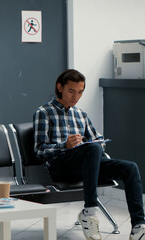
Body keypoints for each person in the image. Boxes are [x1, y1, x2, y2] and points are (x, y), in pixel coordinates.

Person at [33, 69, 145, 240]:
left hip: (86, 164)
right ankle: (90, 211)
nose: (76, 97)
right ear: (60, 87)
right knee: (92, 149)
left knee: (130, 167)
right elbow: (40, 151)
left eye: (80, 92)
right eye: (71, 91)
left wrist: (98, 144)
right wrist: (65, 145)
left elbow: (98, 139)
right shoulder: (44, 113)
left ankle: (139, 226)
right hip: (59, 167)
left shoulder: (81, 114)